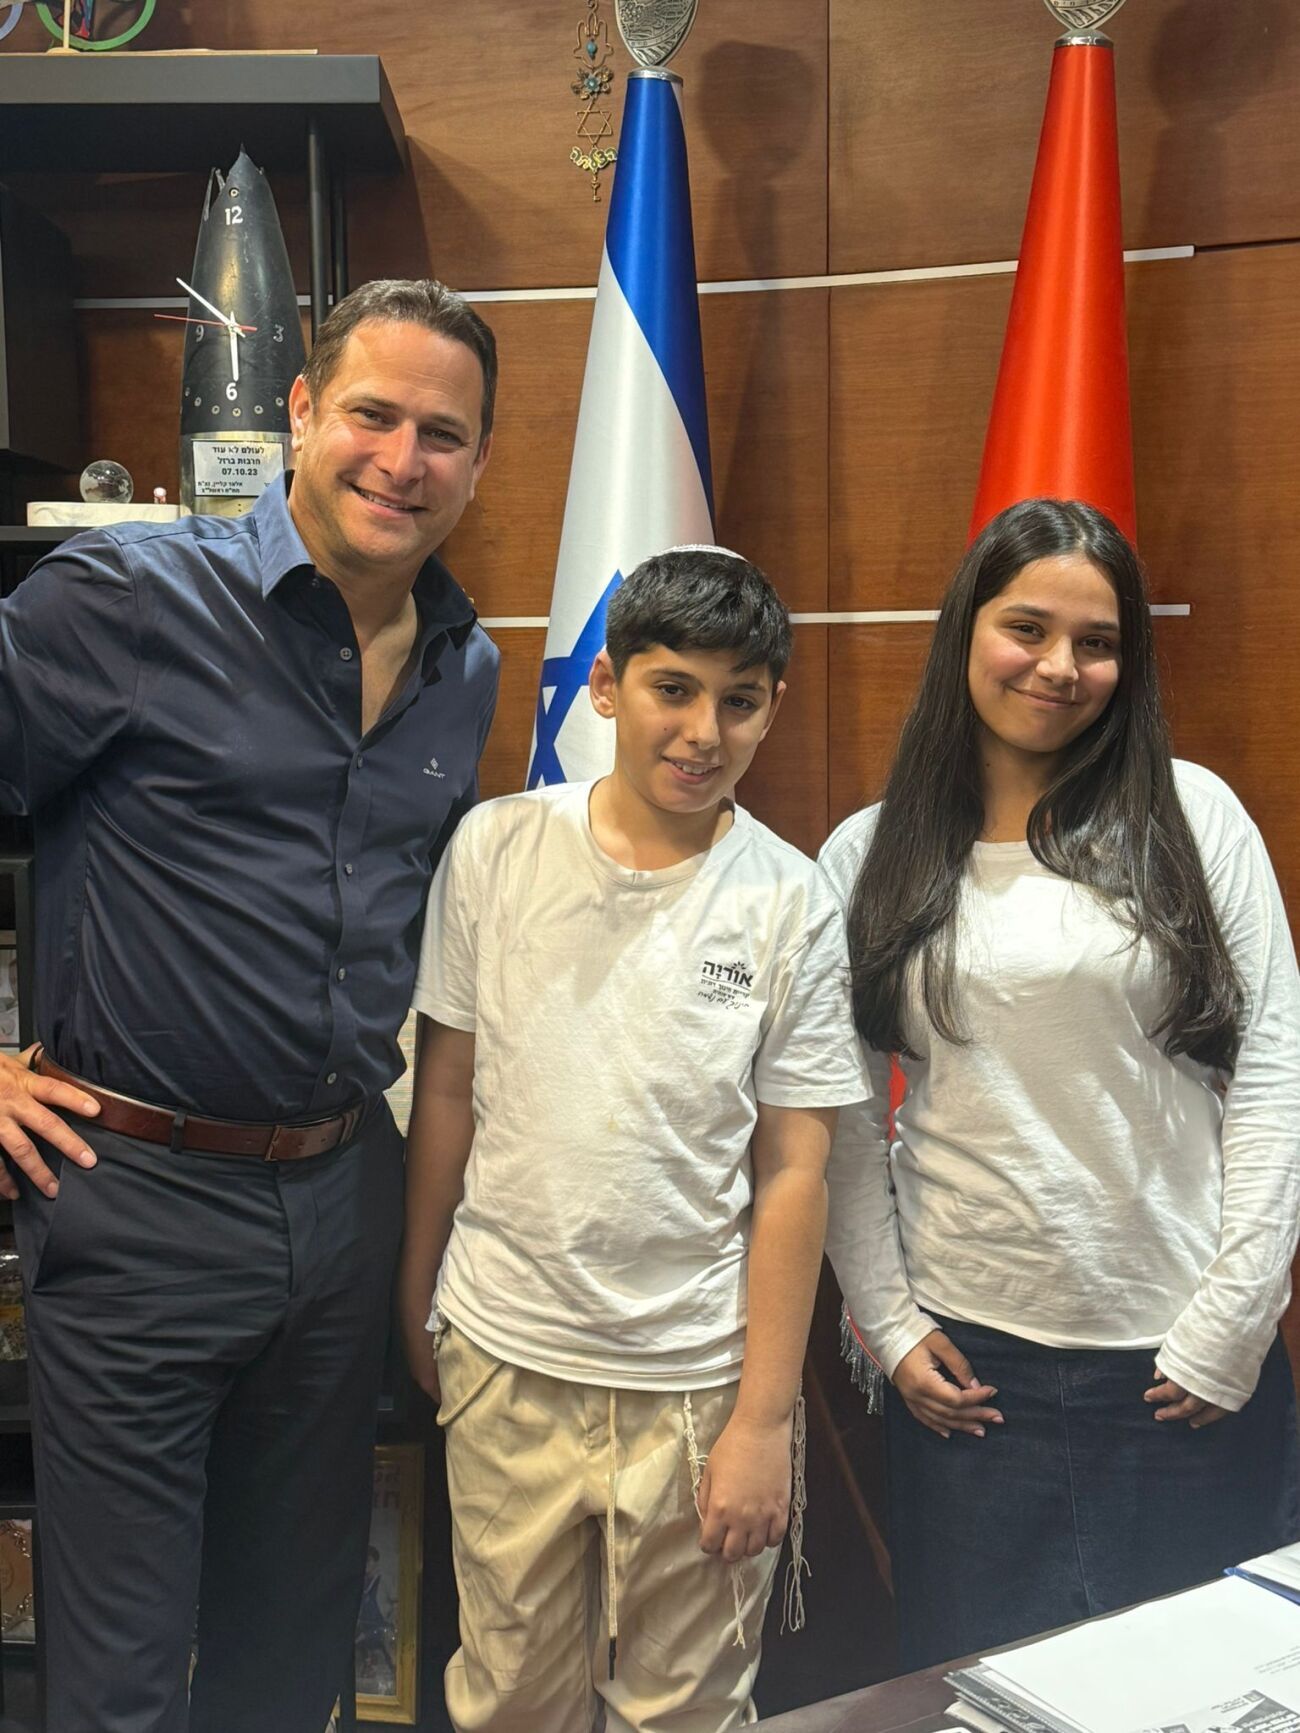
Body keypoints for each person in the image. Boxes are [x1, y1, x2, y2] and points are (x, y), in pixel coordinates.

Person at [0, 278, 499, 1732]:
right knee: (125, 1684)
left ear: (480, 461)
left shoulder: (463, 667)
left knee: (291, 1666)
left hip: (343, 1201)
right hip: (136, 1199)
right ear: (299, 408)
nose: (402, 459)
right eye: (372, 414)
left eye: (443, 434)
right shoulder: (126, 601)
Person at [821, 497, 1300, 1671]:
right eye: (1026, 627)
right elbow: (840, 1114)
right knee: (979, 1693)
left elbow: (1273, 1069)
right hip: (969, 1379)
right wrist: (889, 1324)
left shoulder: (1195, 815)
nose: (1058, 666)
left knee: (1203, 1690)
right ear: (965, 629)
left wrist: (1236, 1317)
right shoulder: (868, 851)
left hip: (1180, 1366)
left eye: (1096, 642)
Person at [398, 547, 870, 1733]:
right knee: (510, 1698)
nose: (703, 731)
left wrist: (764, 1416)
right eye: (673, 688)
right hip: (507, 1348)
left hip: (698, 1383)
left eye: (739, 699)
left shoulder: (790, 898)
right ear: (605, 685)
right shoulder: (497, 847)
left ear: (770, 707)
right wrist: (418, 1285)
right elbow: (446, 1087)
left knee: (686, 1707)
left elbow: (794, 1169)